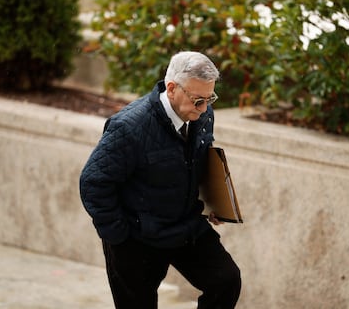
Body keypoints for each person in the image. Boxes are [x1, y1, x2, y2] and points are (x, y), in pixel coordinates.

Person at [79, 51, 241, 309]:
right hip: (137, 238)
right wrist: (120, 236)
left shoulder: (202, 115)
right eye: (197, 100)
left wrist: (214, 202)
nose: (203, 109)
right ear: (172, 88)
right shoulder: (129, 127)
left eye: (209, 99)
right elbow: (94, 182)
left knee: (226, 281)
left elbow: (198, 159)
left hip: (187, 227)